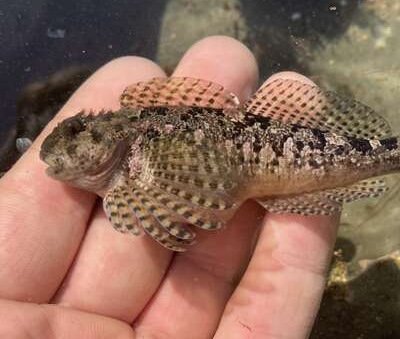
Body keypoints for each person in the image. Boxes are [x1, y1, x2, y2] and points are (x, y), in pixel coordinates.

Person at [0, 36, 339, 338]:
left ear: (102, 133)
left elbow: (195, 181)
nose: (61, 149)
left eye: (76, 131)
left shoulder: (138, 140)